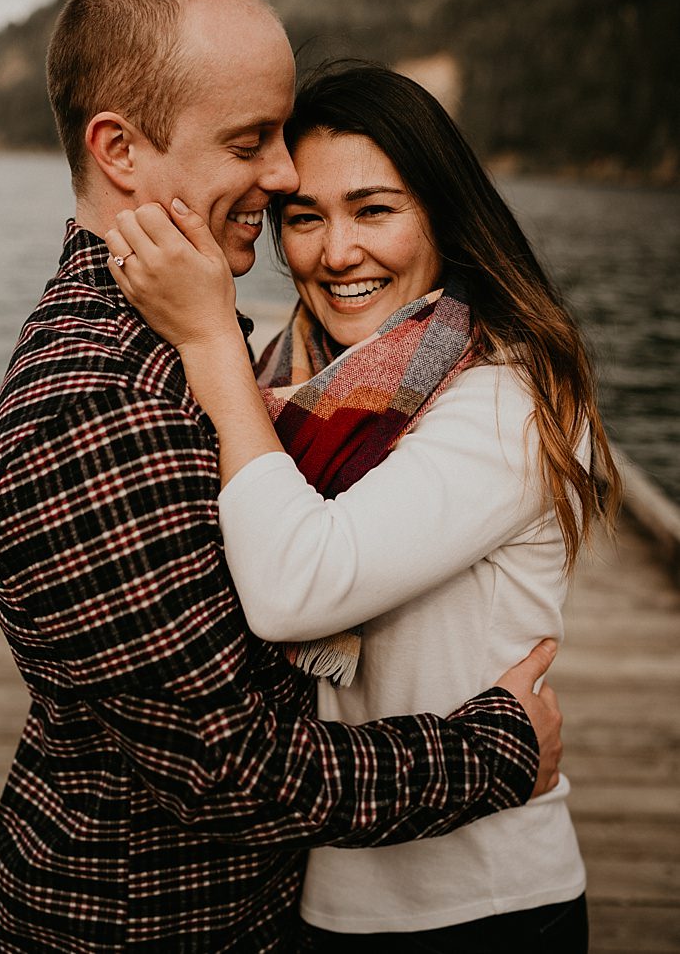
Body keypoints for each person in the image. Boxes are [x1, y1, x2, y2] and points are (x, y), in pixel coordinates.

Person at [0, 0, 564, 952]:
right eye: (252, 141)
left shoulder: (205, 351)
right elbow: (233, 766)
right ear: (118, 148)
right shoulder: (98, 402)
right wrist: (498, 745)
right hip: (150, 923)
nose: (286, 178)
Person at [105, 62, 615, 952]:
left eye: (374, 210)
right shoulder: (299, 387)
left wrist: (208, 340)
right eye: (305, 218)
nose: (336, 252)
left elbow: (295, 589)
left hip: (475, 902)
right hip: (324, 884)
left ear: (443, 215)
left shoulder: (511, 396)